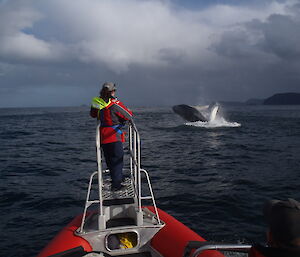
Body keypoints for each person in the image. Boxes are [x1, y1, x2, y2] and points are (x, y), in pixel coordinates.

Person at [90, 82, 133, 191]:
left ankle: (116, 178)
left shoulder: (97, 101)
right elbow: (128, 115)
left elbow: (93, 114)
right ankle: (117, 185)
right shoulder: (115, 104)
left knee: (109, 159)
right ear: (113, 91)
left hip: (103, 136)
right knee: (117, 159)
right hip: (114, 136)